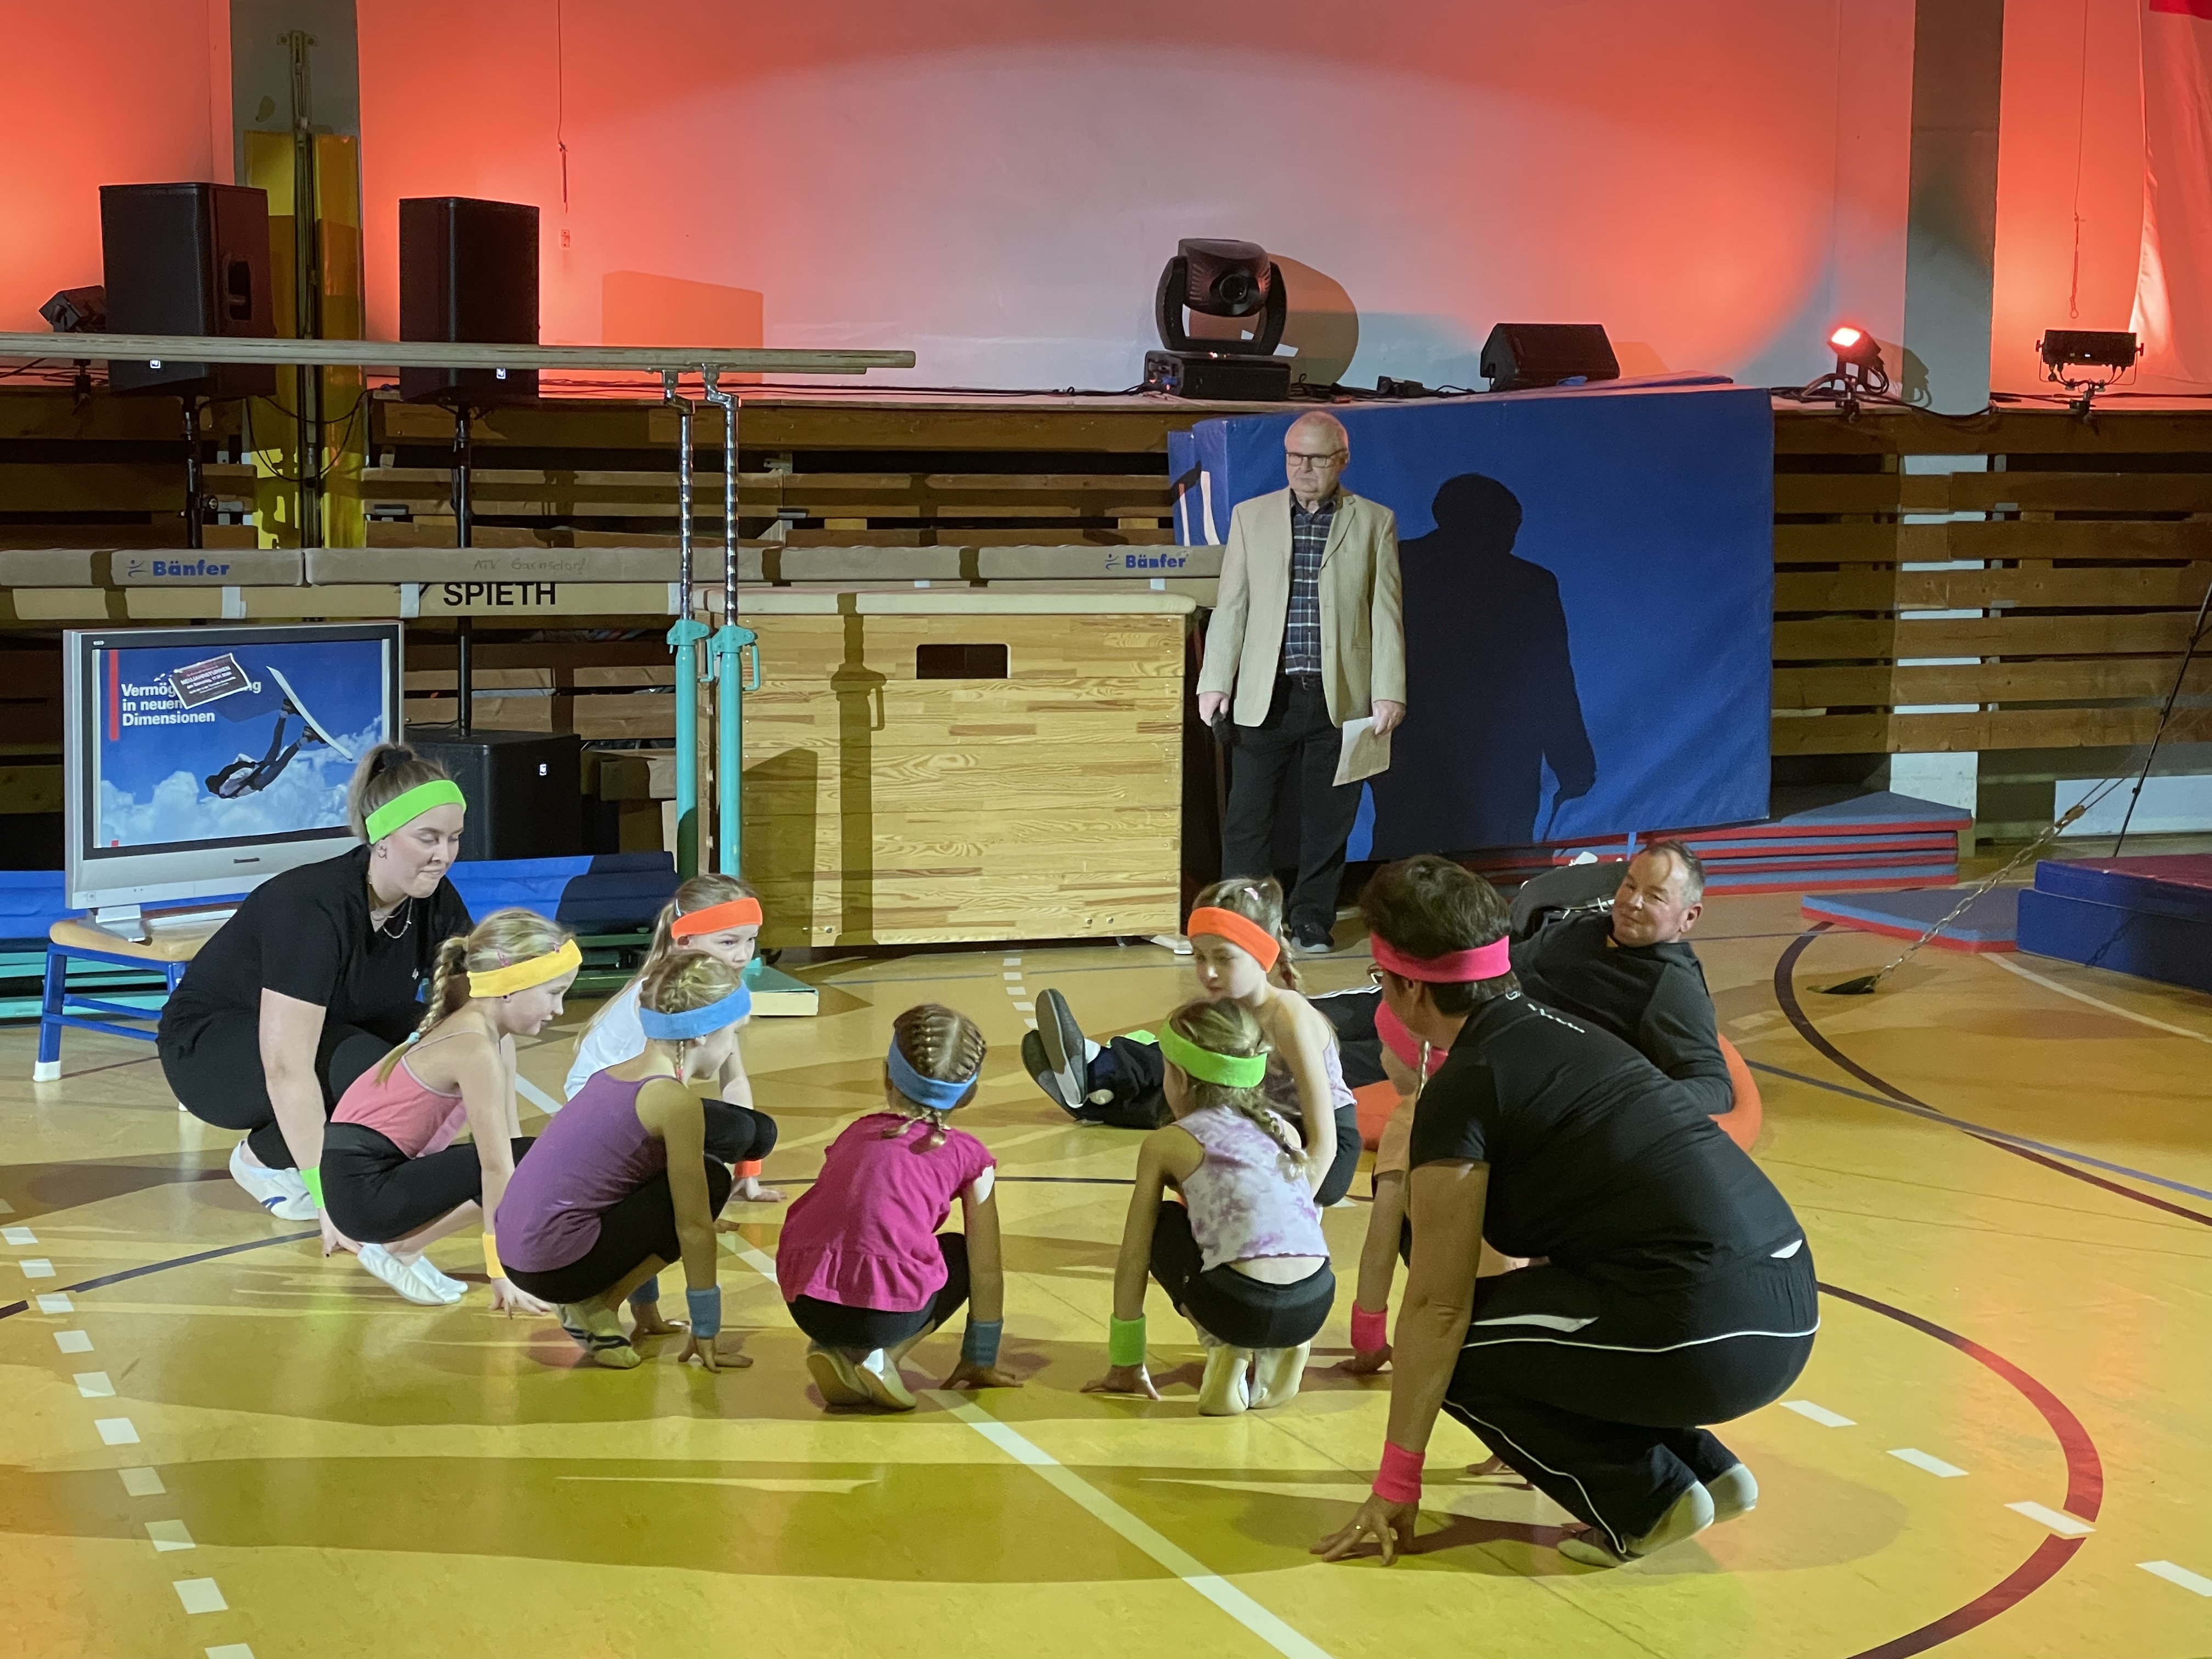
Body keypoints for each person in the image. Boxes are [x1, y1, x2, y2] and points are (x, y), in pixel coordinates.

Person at [1314, 855, 1816, 1571]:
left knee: (1455, 1350)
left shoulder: (1466, 1086)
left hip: (1706, 1331)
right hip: (1785, 1307)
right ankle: (1705, 1471)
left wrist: (1397, 1482)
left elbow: (1436, 1305)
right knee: (1548, 1317)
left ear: (1407, 989)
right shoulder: (1562, 1031)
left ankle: (1645, 1501)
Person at [159, 745, 471, 1223]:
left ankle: (362, 1158)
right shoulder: (311, 907)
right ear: (381, 837)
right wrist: (330, 1201)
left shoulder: (434, 899)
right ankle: (264, 1162)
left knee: (446, 1051)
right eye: (427, 838)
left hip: (329, 1025)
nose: (444, 856)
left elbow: (474, 1020)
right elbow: (287, 1066)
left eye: (454, 839)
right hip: (212, 1052)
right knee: (381, 1076)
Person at [1197, 409, 1406, 956]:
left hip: (1341, 696)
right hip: (1267, 694)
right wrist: (1215, 680)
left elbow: (1385, 613)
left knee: (1328, 821)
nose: (1304, 469)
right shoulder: (1252, 517)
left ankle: (1312, 919)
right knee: (1247, 819)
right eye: (1294, 457)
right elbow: (1232, 605)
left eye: (1316, 458)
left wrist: (1389, 690)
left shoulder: (1374, 521)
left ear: (1342, 460)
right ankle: (1242, 923)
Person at [1020, 877, 1358, 1205]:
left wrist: (1294, 1215)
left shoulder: (1289, 1018)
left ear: (1262, 955)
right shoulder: (1222, 1005)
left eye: (1223, 958)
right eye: (1199, 957)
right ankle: (1096, 1085)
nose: (1208, 972)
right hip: (1254, 1115)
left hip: (1317, 1142)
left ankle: (1099, 1079)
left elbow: (1324, 1140)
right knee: (1177, 1083)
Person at [495, 953, 755, 1370]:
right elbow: (693, 1227)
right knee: (711, 1180)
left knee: (658, 1184)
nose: (731, 1049)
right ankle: (594, 1305)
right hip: (554, 1267)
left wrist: (648, 1312)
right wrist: (706, 1328)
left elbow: (630, 1192)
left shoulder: (612, 1075)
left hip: (519, 1255)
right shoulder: (674, 1102)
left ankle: (628, 1311)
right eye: (733, 1035)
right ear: (703, 1035)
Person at [1082, 998, 1336, 1415]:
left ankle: (1224, 1346)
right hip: (1315, 1300)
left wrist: (1125, 1360)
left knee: (1163, 1225)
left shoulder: (1167, 1143)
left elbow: (1134, 1256)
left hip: (1240, 1307)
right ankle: (1287, 1347)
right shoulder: (1284, 1130)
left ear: (1178, 1078)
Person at [319, 909, 574, 1309]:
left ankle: (401, 1248)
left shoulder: (491, 1038)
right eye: (554, 993)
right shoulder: (473, 1047)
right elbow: (496, 1167)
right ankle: (399, 1249)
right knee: (526, 1158)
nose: (559, 1010)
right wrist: (501, 1269)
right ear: (509, 988)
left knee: (528, 1156)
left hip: (362, 1179)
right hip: (362, 1194)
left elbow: (508, 1147)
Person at [775, 1004, 1015, 1412]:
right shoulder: (969, 1156)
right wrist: (980, 1357)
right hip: (887, 1318)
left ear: (887, 1075)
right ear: (969, 1093)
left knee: (854, 1248)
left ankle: (833, 1348)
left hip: (805, 1301)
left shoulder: (855, 1133)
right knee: (959, 1253)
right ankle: (883, 1357)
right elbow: (986, 1267)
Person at [566, 873, 782, 1204]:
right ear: (685, 941)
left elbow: (734, 1078)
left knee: (756, 1132)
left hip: (642, 1099)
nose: (743, 955)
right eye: (728, 942)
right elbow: (658, 1086)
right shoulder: (665, 994)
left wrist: (747, 1172)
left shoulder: (716, 986)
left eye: (750, 940)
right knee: (724, 1143)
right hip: (601, 1110)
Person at [1511, 840, 1730, 1115]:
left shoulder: (1672, 989)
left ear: (1689, 917)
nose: (1632, 902)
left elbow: (1715, 1087)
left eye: (1654, 897)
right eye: (1629, 886)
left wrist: (1625, 1097)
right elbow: (1511, 963)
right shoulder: (1582, 928)